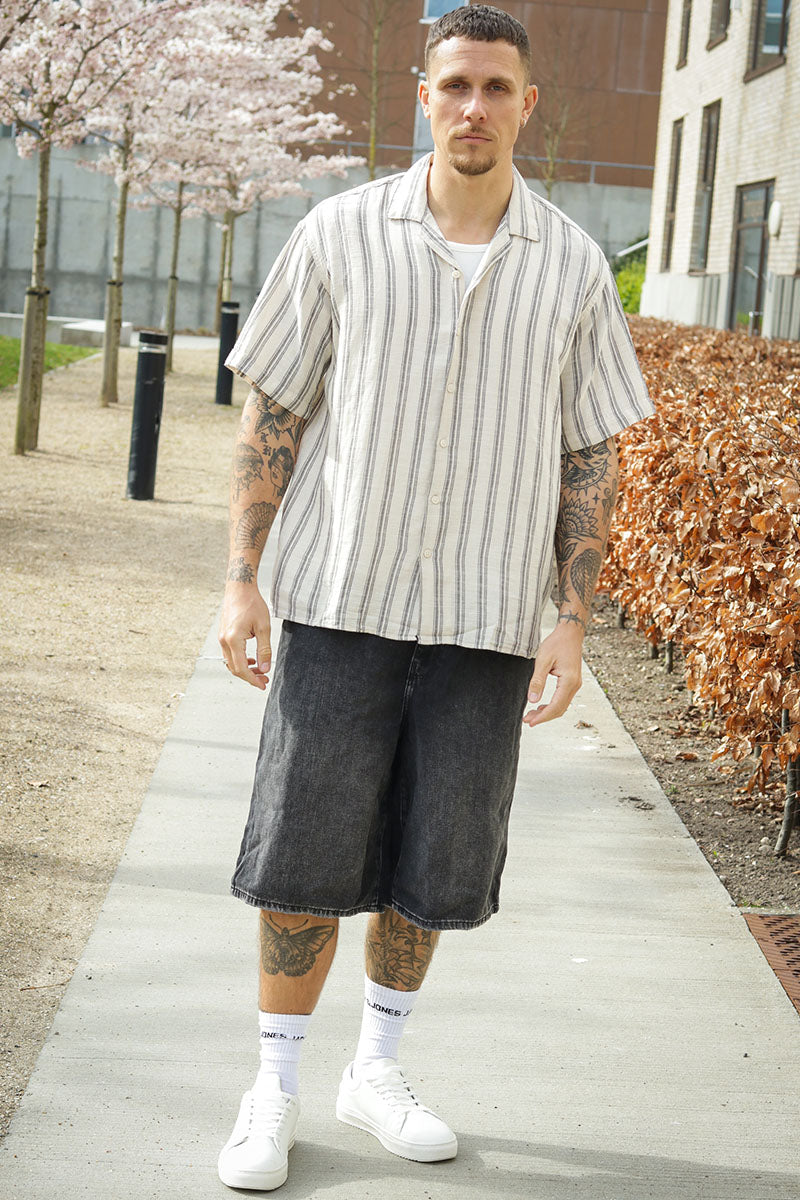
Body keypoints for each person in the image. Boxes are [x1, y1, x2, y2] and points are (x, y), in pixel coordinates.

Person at [216, 4, 653, 1191]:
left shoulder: (570, 264)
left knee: (433, 863)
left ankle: (376, 1071)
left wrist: (571, 620)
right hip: (339, 604)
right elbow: (273, 412)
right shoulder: (339, 233)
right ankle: (273, 1087)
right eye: (454, 84)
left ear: (525, 104)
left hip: (485, 624)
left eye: (495, 87)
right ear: (422, 95)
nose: (473, 107)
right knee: (301, 858)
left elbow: (589, 454)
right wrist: (242, 581)